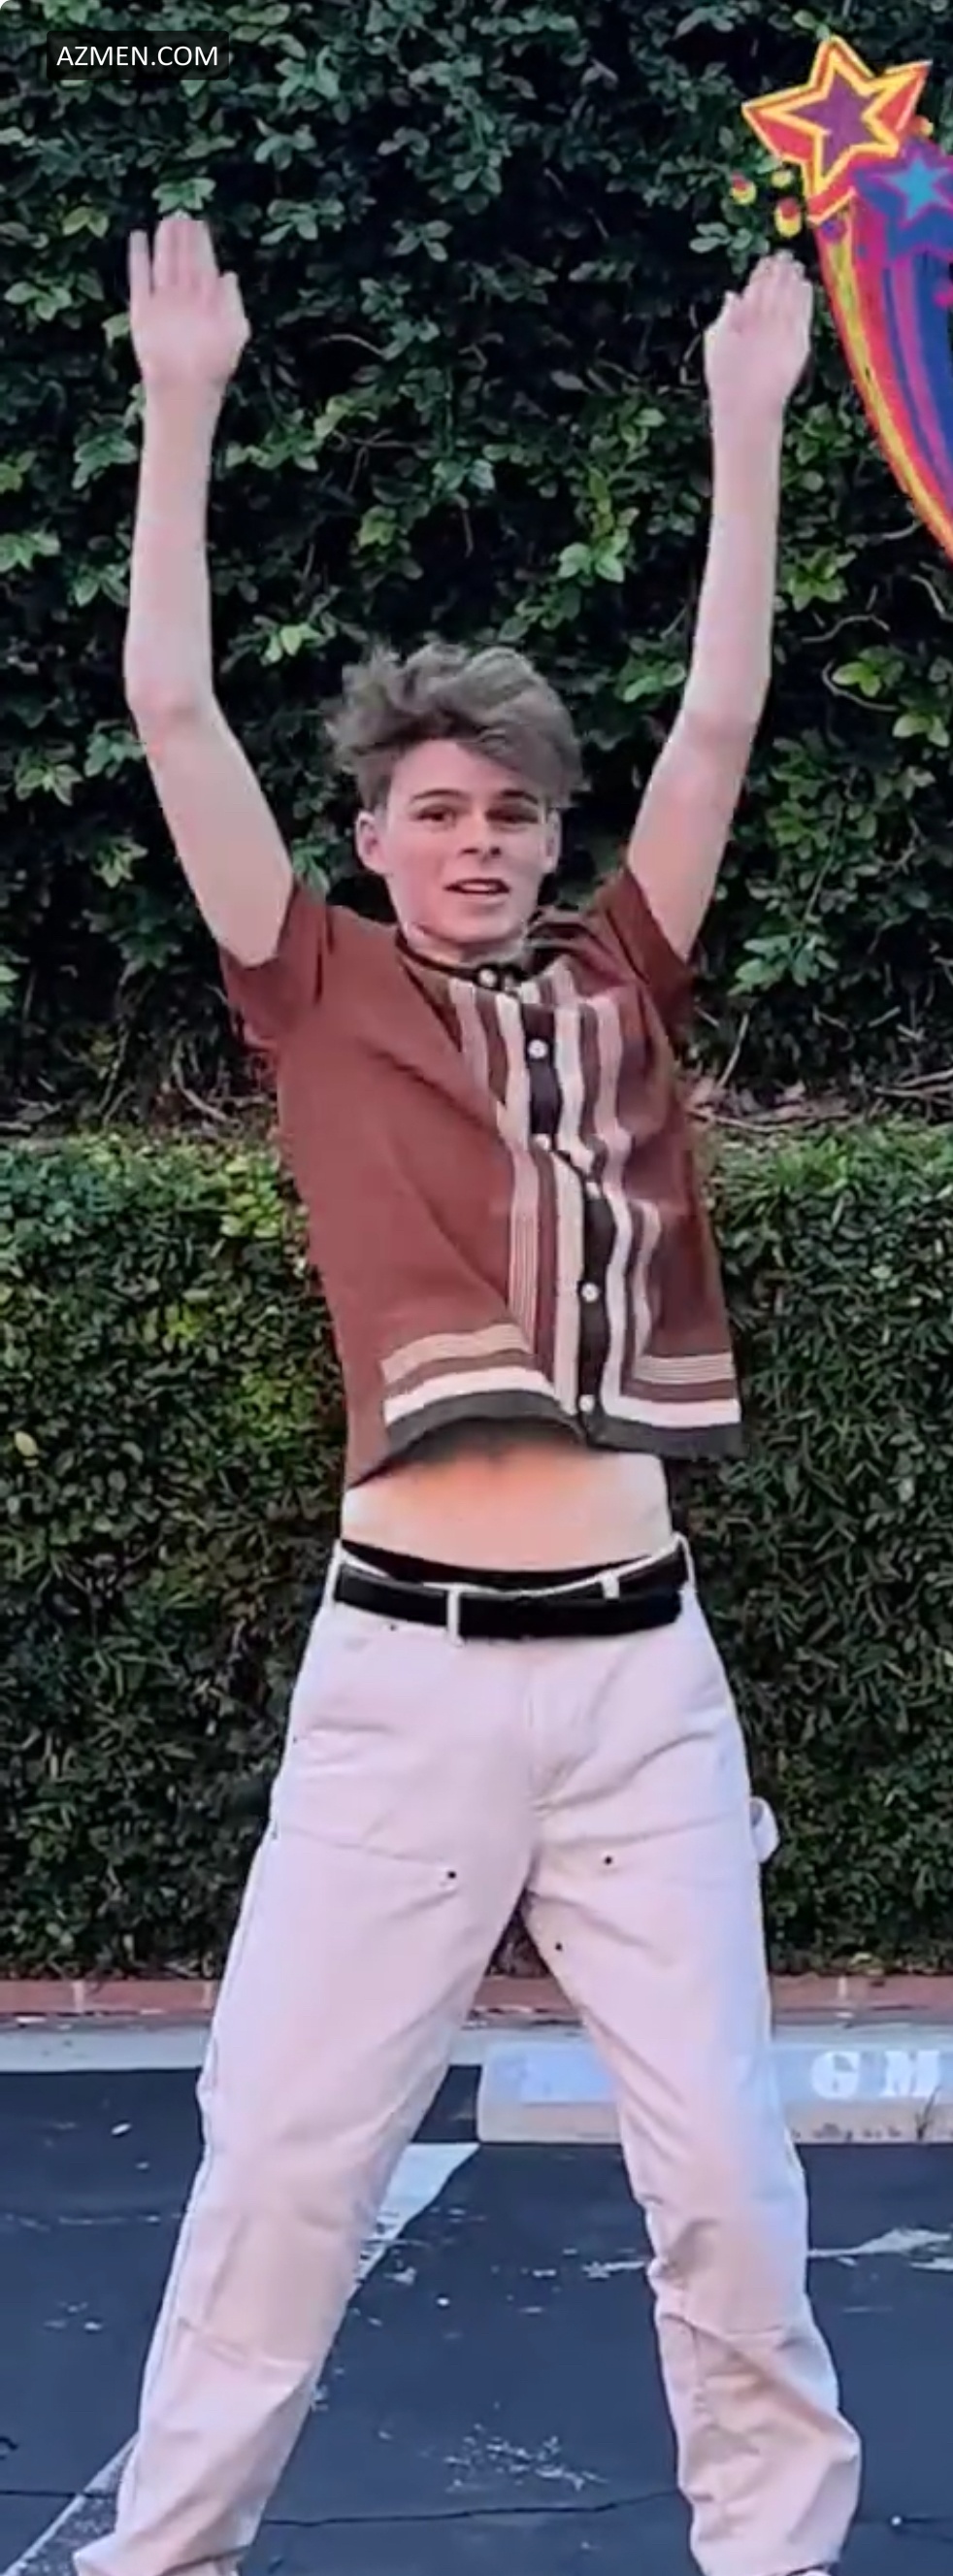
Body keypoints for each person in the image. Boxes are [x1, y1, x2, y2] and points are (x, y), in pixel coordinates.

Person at [80, 215, 861, 2576]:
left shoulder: (622, 979)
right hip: (398, 1686)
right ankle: (159, 2556)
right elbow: (171, 709)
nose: (481, 841)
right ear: (373, 841)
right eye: (438, 811)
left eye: (511, 812)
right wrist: (184, 405)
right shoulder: (308, 988)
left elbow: (716, 720)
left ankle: (773, 2553)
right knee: (282, 2167)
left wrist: (745, 427)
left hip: (636, 1687)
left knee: (723, 2180)